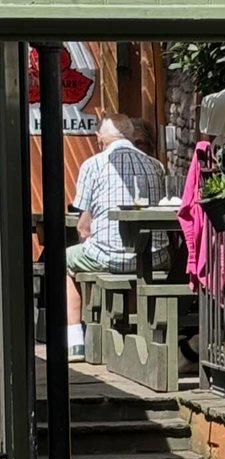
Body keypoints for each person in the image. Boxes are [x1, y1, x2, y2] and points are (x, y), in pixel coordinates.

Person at [66, 113, 167, 361]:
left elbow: (83, 226)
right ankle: (131, 326)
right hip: (155, 257)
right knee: (136, 262)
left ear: (99, 139)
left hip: (108, 256)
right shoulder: (156, 166)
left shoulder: (92, 165)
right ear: (131, 136)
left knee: (64, 259)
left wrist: (88, 233)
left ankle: (75, 341)